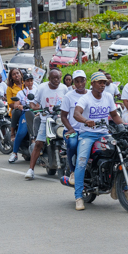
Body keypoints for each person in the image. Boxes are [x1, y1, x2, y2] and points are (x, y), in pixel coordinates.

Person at [71, 72, 122, 210]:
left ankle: (122, 189)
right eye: (99, 82)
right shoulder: (85, 98)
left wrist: (124, 126)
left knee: (120, 154)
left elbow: (114, 115)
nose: (102, 85)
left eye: (104, 83)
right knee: (81, 161)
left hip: (104, 133)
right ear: (92, 84)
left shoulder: (108, 96)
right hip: (87, 134)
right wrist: (86, 121)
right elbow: (76, 114)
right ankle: (78, 197)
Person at [24, 68, 68, 180]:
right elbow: (33, 103)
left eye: (58, 78)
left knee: (70, 141)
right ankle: (31, 170)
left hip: (60, 120)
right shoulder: (42, 88)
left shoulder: (64, 88)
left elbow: (69, 103)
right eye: (54, 78)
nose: (56, 80)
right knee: (39, 143)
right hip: (46, 120)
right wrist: (36, 109)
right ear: (49, 78)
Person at [59, 70, 88, 183]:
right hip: (73, 130)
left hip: (87, 130)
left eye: (82, 81)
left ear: (86, 81)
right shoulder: (68, 96)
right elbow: (63, 116)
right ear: (73, 82)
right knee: (72, 144)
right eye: (77, 81)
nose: (80, 84)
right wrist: (70, 128)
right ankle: (72, 172)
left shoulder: (90, 94)